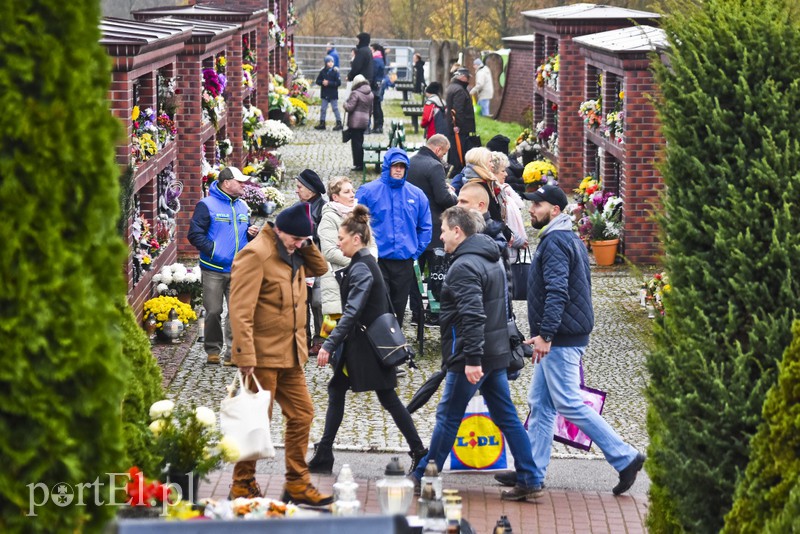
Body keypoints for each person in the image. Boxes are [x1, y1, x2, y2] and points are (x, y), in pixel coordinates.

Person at [495, 184, 646, 497]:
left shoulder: (556, 243)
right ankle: (531, 474)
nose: (531, 209)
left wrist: (546, 334)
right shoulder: (566, 238)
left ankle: (625, 457)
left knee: (567, 402)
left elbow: (558, 291)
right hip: (562, 335)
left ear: (554, 210)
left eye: (537, 205)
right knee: (541, 405)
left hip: (560, 338)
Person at [410, 206, 541, 501]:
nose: (440, 236)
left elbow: (472, 315)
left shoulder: (464, 267)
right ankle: (530, 477)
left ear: (458, 231)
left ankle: (422, 476)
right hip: (494, 353)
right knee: (506, 416)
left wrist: (471, 359)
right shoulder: (491, 258)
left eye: (443, 230)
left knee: (448, 417)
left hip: (472, 357)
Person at [310, 205, 428, 475]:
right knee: (337, 390)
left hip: (367, 348)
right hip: (361, 346)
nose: (338, 243)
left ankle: (419, 451)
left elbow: (353, 312)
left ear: (356, 238)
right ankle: (325, 452)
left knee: (388, 398)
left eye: (341, 238)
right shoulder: (362, 264)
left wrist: (329, 344)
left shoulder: (363, 268)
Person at [228, 202, 333, 506]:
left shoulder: (296, 249)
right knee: (256, 420)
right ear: (279, 231)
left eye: (302, 241)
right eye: (295, 239)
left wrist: (306, 242)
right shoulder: (256, 254)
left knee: (303, 414)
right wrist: (244, 355)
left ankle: (298, 484)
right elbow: (240, 309)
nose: (299, 245)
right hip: (260, 357)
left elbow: (321, 268)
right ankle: (242, 484)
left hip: (291, 353)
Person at [188, 166, 258, 366]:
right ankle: (212, 350)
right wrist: (214, 251)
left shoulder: (243, 206)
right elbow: (194, 235)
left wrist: (251, 233)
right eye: (240, 182)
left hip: (238, 269)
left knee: (237, 311)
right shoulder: (206, 205)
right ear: (227, 183)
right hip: (213, 269)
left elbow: (243, 233)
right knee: (213, 311)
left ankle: (233, 353)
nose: (244, 185)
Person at [355, 148, 432, 327]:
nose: (398, 170)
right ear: (387, 167)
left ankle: (393, 341)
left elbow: (425, 226)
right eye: (395, 166)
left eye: (402, 167)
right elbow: (356, 224)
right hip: (377, 260)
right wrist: (365, 252)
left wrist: (415, 251)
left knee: (398, 305)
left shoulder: (417, 195)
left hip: (404, 261)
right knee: (380, 303)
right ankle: (378, 341)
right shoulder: (368, 192)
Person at [406, 134, 456, 324]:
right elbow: (442, 198)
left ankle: (416, 312)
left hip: (413, 227)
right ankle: (434, 313)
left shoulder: (411, 162)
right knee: (436, 272)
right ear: (437, 149)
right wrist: (454, 197)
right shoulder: (435, 166)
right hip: (433, 228)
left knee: (415, 273)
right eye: (443, 153)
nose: (443, 158)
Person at [295, 169, 327, 356]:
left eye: (300, 187)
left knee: (319, 302)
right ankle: (303, 339)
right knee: (301, 302)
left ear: (311, 190)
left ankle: (321, 340)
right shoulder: (297, 207)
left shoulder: (323, 209)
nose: (297, 191)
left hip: (318, 264)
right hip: (300, 265)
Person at [489, 151, 527, 262]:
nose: (506, 174)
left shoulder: (505, 191)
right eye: (503, 171)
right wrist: (517, 240)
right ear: (492, 171)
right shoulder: (495, 193)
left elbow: (521, 205)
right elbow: (500, 222)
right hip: (505, 247)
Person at [445, 68, 477, 174]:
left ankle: (454, 169)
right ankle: (458, 171)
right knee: (459, 149)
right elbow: (457, 110)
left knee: (454, 148)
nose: (468, 80)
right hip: (459, 127)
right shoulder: (459, 90)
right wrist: (457, 125)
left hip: (455, 126)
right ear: (461, 76)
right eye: (467, 77)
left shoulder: (453, 87)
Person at [343, 74, 373, 171]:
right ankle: (361, 162)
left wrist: (345, 104)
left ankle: (358, 164)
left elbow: (350, 107)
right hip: (364, 121)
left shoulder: (355, 93)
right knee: (360, 141)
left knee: (356, 144)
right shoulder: (370, 93)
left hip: (355, 122)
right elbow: (371, 109)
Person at [314, 55, 342, 131]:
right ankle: (322, 123)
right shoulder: (323, 71)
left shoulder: (335, 72)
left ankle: (339, 122)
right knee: (323, 108)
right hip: (325, 93)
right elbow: (317, 81)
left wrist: (329, 83)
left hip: (333, 93)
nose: (330, 63)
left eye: (332, 61)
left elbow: (338, 83)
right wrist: (322, 82)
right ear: (326, 63)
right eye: (329, 62)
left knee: (335, 108)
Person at [370, 43, 386, 134]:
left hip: (376, 85)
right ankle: (379, 125)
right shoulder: (380, 59)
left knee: (376, 106)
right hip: (379, 85)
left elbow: (374, 73)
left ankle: (378, 126)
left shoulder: (376, 60)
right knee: (377, 105)